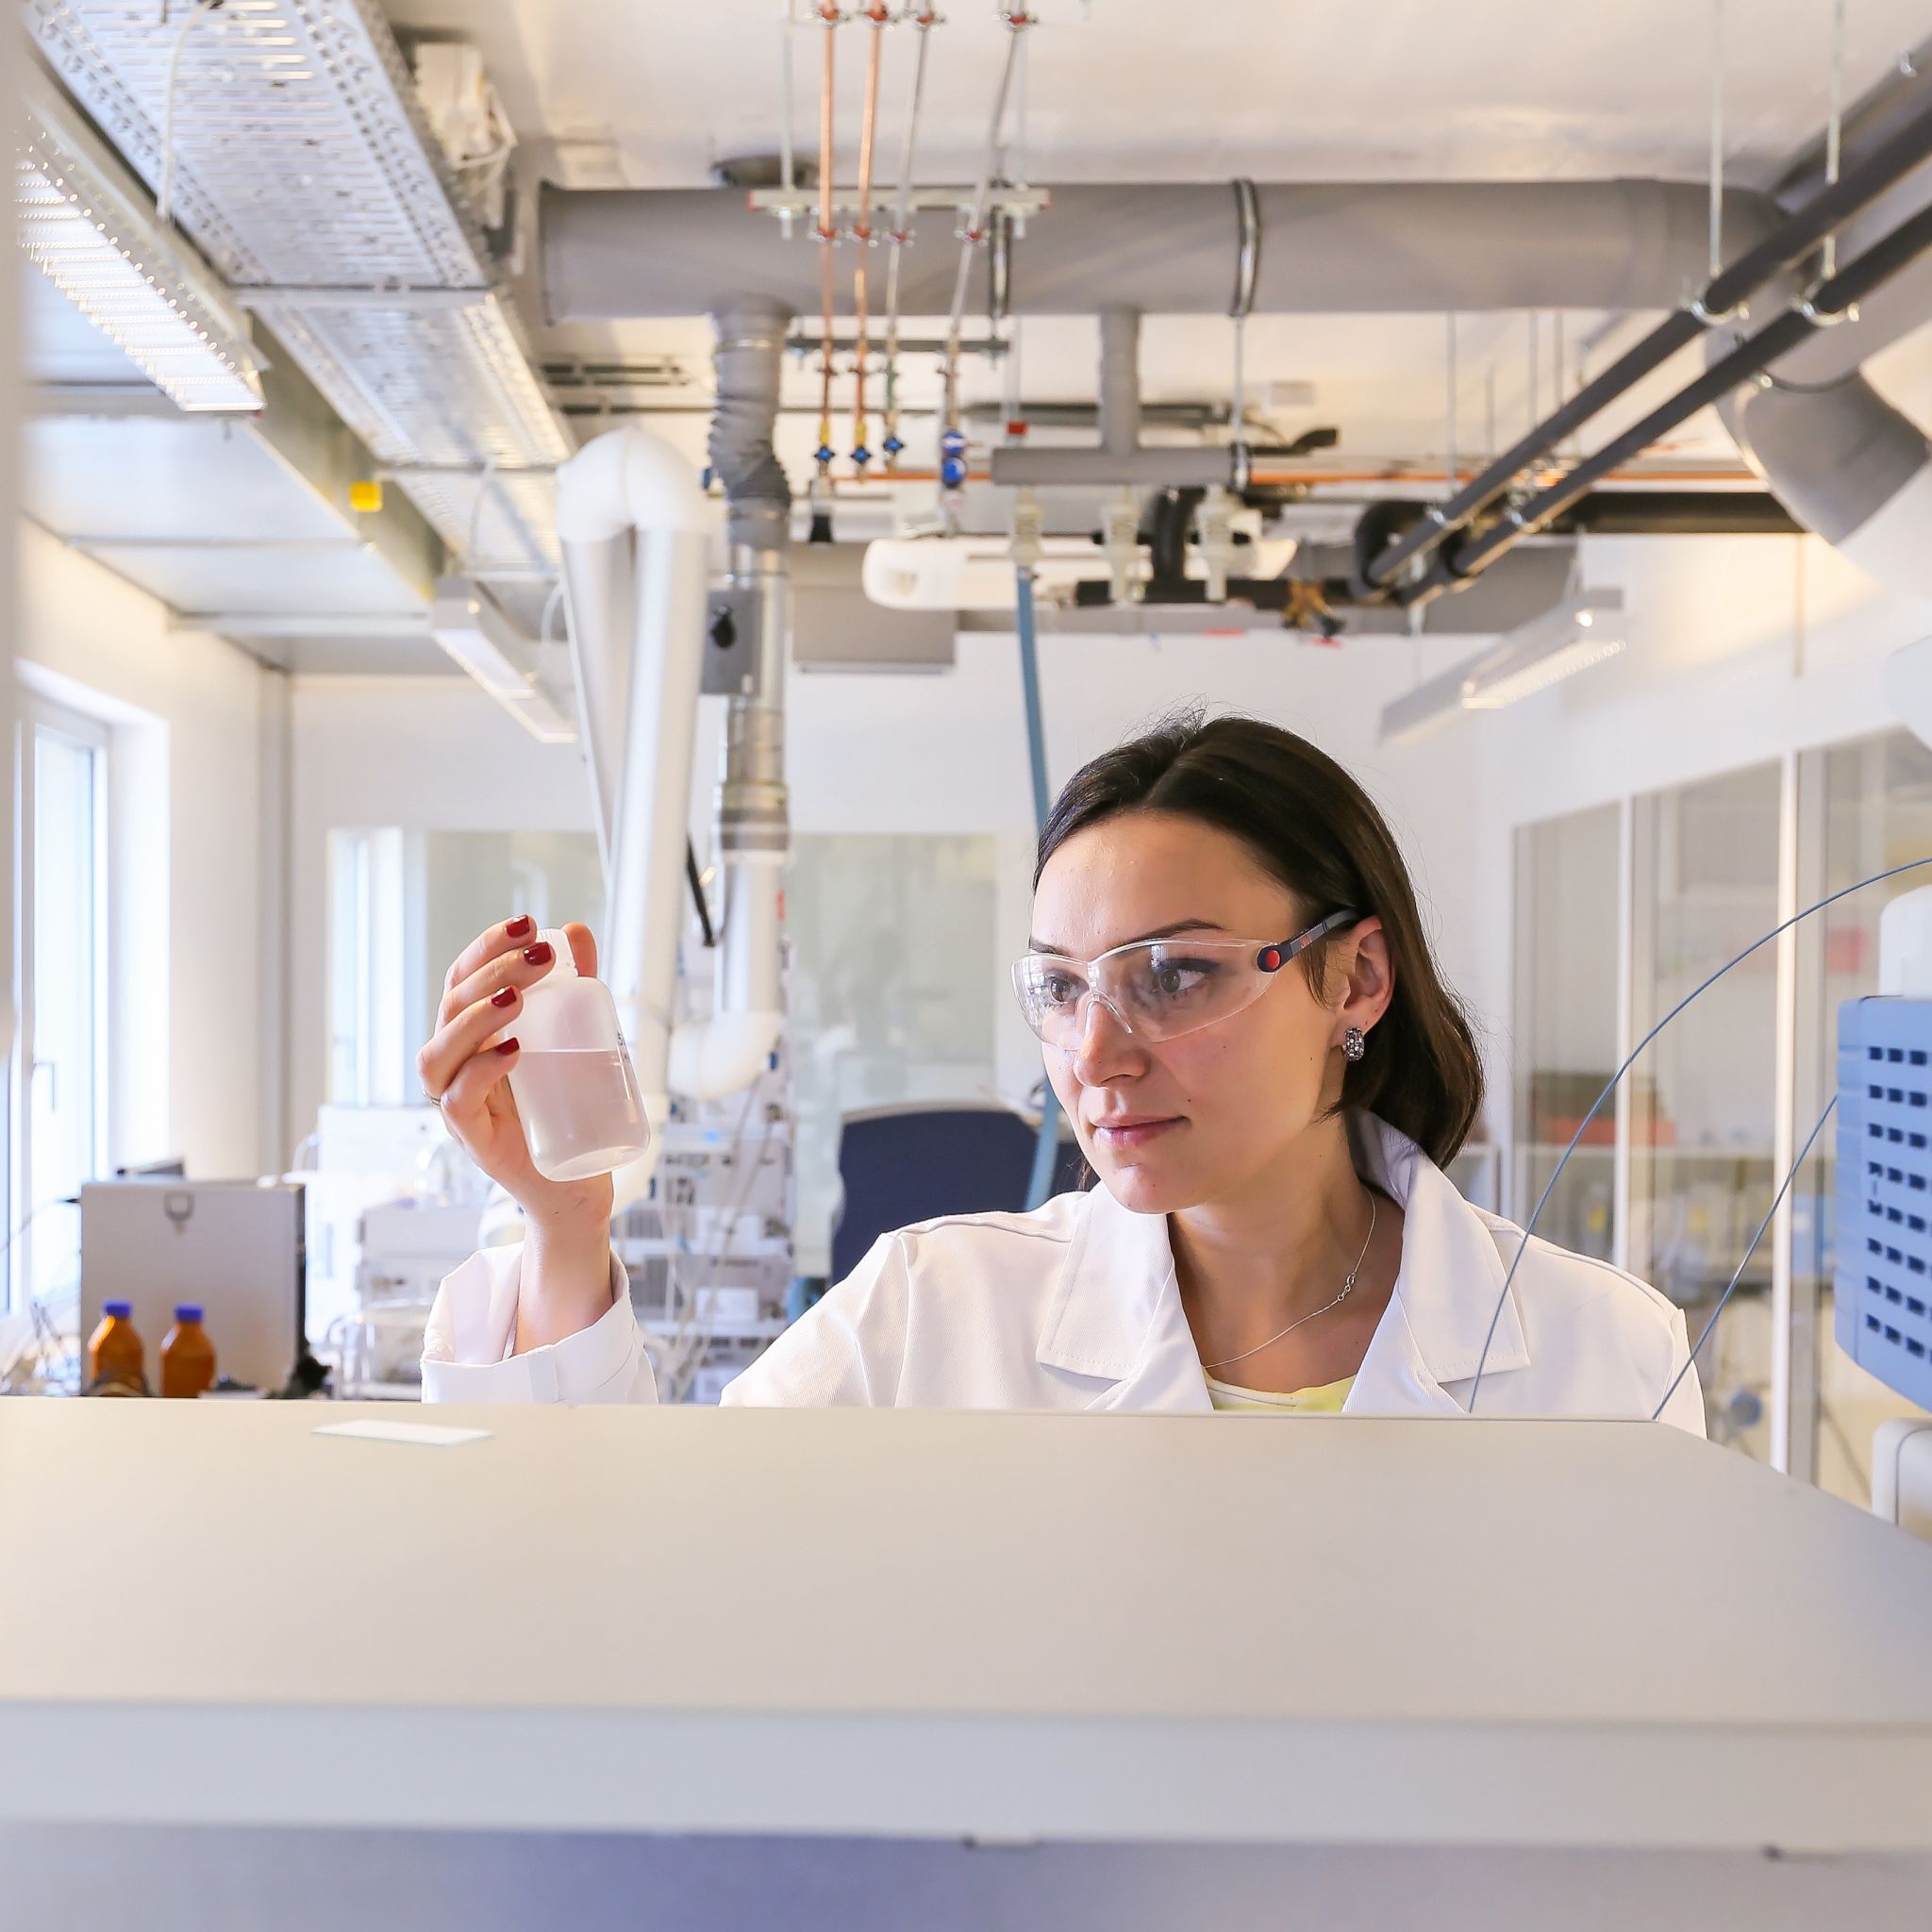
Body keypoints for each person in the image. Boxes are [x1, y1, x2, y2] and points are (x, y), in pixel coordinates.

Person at [416, 711, 1704, 1430]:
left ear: (1352, 981)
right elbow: (635, 1575)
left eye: (1177, 973)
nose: (1094, 1057)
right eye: (1061, 986)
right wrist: (563, 1226)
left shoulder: (1605, 1360)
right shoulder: (932, 1313)